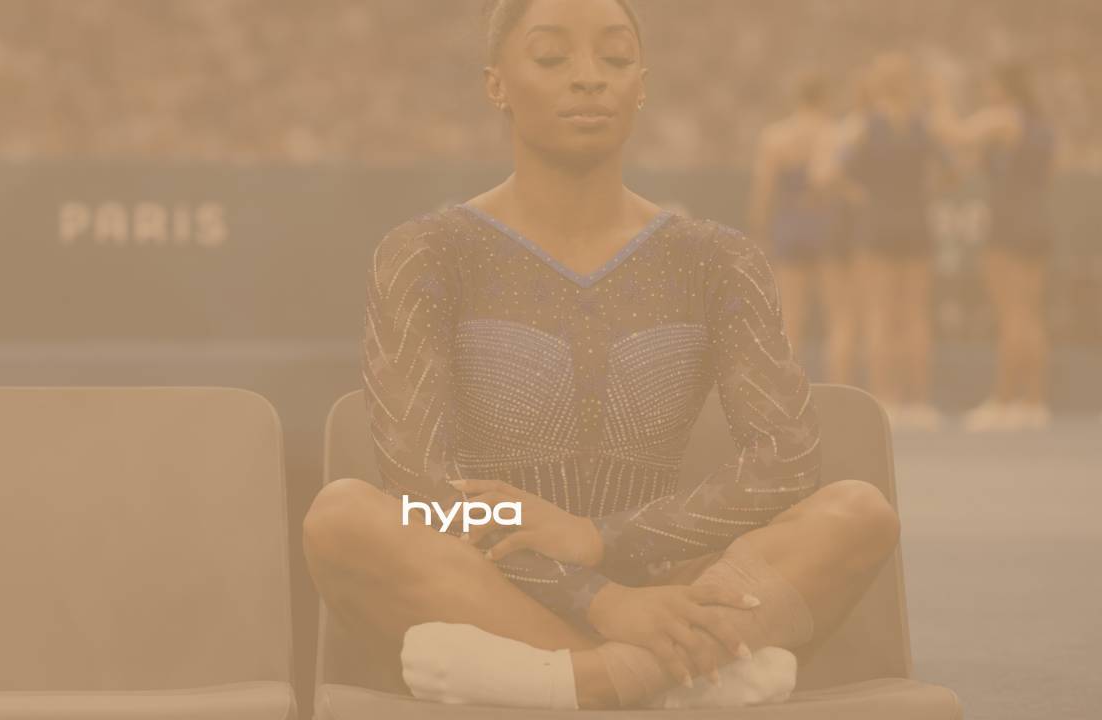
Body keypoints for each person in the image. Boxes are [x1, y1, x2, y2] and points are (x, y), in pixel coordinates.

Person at [303, 0, 901, 711]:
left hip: (668, 583)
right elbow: (422, 489)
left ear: (641, 85)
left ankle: (565, 684)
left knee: (859, 514)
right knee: (342, 518)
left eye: (614, 58)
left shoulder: (715, 258)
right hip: (490, 587)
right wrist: (598, 600)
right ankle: (668, 681)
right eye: (552, 57)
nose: (588, 77)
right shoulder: (427, 252)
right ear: (497, 84)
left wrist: (600, 540)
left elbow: (786, 462)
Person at [931, 61, 1056, 431]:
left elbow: (954, 134)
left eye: (991, 85)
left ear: (1004, 86)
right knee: (1030, 314)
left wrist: (940, 96)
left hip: (1008, 224)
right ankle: (1033, 401)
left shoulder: (1003, 117)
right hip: (1037, 221)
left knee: (1011, 314)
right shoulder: (1041, 126)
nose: (987, 92)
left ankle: (1004, 400)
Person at [837, 53, 951, 430]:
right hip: (915, 222)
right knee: (916, 314)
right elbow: (952, 171)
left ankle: (886, 398)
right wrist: (925, 194)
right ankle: (919, 401)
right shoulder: (922, 125)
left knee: (881, 314)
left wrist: (863, 197)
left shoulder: (866, 126)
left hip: (878, 225)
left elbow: (835, 173)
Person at [749, 72, 858, 386]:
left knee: (792, 315)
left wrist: (759, 229)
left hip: (790, 226)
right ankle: (839, 386)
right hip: (826, 225)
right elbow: (843, 186)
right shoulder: (835, 133)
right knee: (839, 315)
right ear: (825, 98)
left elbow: (764, 190)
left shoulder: (776, 136)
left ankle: (789, 389)